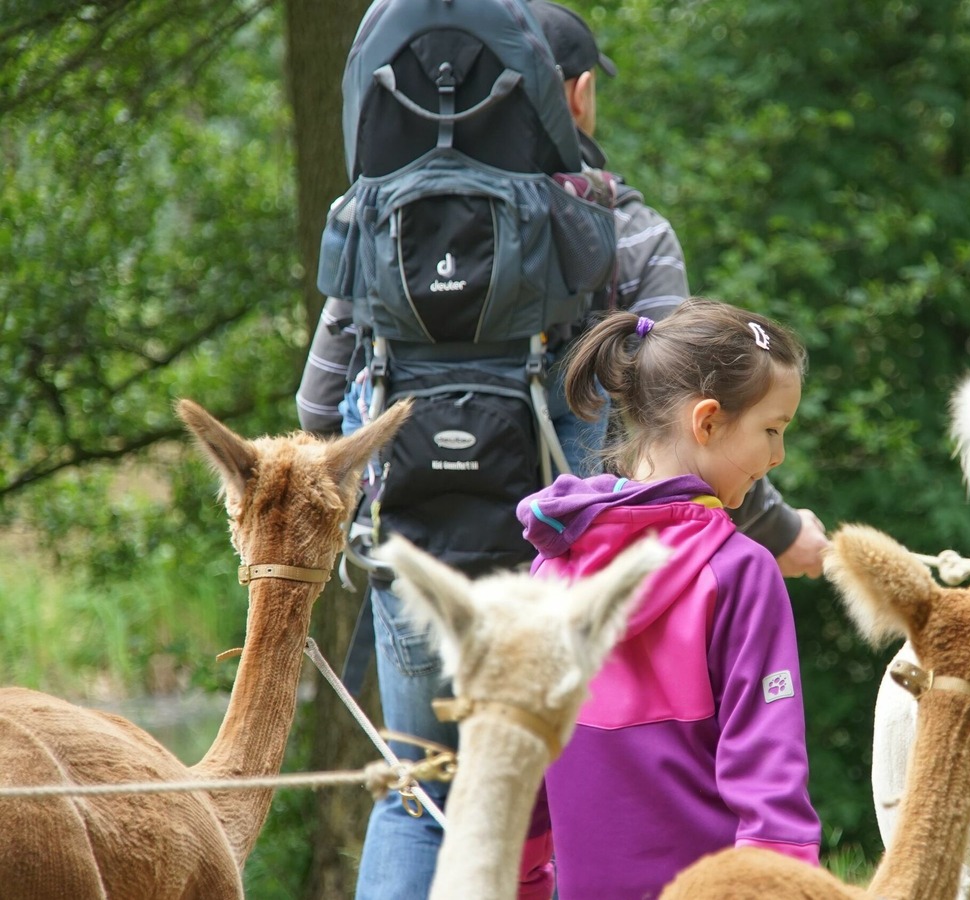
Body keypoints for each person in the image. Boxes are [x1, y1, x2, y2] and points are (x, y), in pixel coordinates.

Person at [291, 4, 829, 897]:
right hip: (581, 541)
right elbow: (697, 395)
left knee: (423, 789)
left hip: (436, 558)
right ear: (570, 94)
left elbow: (318, 409)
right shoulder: (617, 225)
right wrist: (777, 530)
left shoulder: (377, 221)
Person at [518, 298, 822, 899]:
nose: (778, 456)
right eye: (772, 430)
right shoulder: (739, 573)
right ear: (706, 422)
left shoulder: (550, 573)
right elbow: (770, 782)